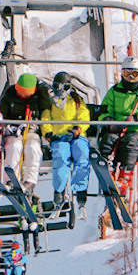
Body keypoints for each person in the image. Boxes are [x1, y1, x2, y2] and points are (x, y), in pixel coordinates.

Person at [95, 60, 138, 178]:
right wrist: (111, 123)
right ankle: (107, 171)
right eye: (127, 74)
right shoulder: (115, 91)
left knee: (131, 142)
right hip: (118, 128)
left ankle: (125, 175)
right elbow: (104, 110)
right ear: (122, 74)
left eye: (135, 74)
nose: (131, 77)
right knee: (108, 139)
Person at [41, 72, 91, 210]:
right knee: (61, 157)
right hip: (59, 136)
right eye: (58, 86)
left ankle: (80, 191)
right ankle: (59, 191)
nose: (61, 90)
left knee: (81, 153)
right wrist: (49, 133)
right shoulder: (50, 101)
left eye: (65, 87)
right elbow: (45, 119)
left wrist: (78, 129)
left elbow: (84, 116)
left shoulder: (75, 100)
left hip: (76, 135)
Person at [0, 72, 47, 190]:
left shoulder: (39, 97)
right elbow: (2, 115)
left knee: (33, 147)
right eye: (20, 92)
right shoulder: (9, 96)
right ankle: (10, 179)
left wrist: (44, 90)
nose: (23, 96)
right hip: (14, 130)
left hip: (31, 130)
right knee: (14, 146)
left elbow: (49, 104)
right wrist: (8, 127)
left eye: (26, 94)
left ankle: (30, 181)